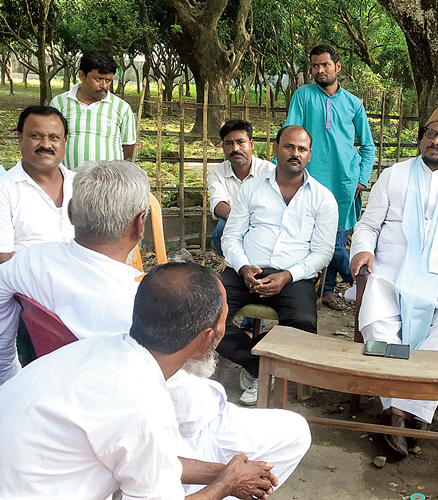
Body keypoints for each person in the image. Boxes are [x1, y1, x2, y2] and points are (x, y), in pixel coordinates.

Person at [0, 161, 311, 496]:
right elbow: (182, 413)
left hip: (55, 417)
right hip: (175, 422)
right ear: (140, 223)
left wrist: (11, 375)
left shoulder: (29, 263)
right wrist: (225, 482)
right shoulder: (142, 314)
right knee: (292, 432)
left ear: (72, 211)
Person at [0, 262, 285, 500]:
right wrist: (226, 486)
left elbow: (150, 462)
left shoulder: (100, 349)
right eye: (223, 321)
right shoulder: (143, 403)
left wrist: (222, 471)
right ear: (206, 339)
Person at [350, 103, 438, 457]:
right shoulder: (393, 175)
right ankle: (406, 414)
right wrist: (362, 251)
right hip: (389, 275)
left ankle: (405, 410)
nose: (437, 142)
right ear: (421, 139)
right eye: (431, 134)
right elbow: (367, 225)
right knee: (379, 327)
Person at [219, 125, 337, 405]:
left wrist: (288, 275)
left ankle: (260, 364)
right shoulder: (252, 188)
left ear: (309, 155)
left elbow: (322, 253)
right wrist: (243, 267)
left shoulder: (323, 199)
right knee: (205, 314)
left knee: (304, 323)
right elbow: (231, 236)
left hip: (293, 277)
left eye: (301, 149)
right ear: (275, 149)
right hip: (245, 271)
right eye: (288, 147)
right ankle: (259, 365)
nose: (294, 154)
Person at [285, 43, 375, 310]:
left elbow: (367, 145)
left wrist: (362, 178)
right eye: (315, 65)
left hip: (346, 182)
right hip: (311, 178)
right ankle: (361, 283)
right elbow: (291, 132)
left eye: (325, 64)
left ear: (337, 66)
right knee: (317, 239)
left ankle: (328, 290)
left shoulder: (353, 103)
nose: (320, 70)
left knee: (336, 239)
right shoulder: (303, 96)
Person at [0, 106, 74, 264]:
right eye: (36, 136)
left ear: (65, 142)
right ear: (20, 138)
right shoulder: (4, 190)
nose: (46, 145)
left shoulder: (81, 185)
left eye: (54, 138)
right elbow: (3, 260)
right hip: (25, 286)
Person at [50, 49, 137, 170]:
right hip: (68, 183)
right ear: (82, 76)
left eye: (108, 80)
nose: (104, 86)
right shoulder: (59, 103)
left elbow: (128, 147)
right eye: (98, 79)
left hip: (107, 184)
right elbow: (49, 140)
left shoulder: (121, 108)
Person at [208, 119, 275, 256]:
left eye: (240, 142)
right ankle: (233, 267)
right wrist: (240, 218)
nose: (235, 149)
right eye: (229, 143)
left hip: (264, 220)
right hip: (232, 219)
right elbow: (218, 203)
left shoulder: (269, 170)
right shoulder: (216, 172)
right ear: (223, 147)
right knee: (220, 232)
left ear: (251, 144)